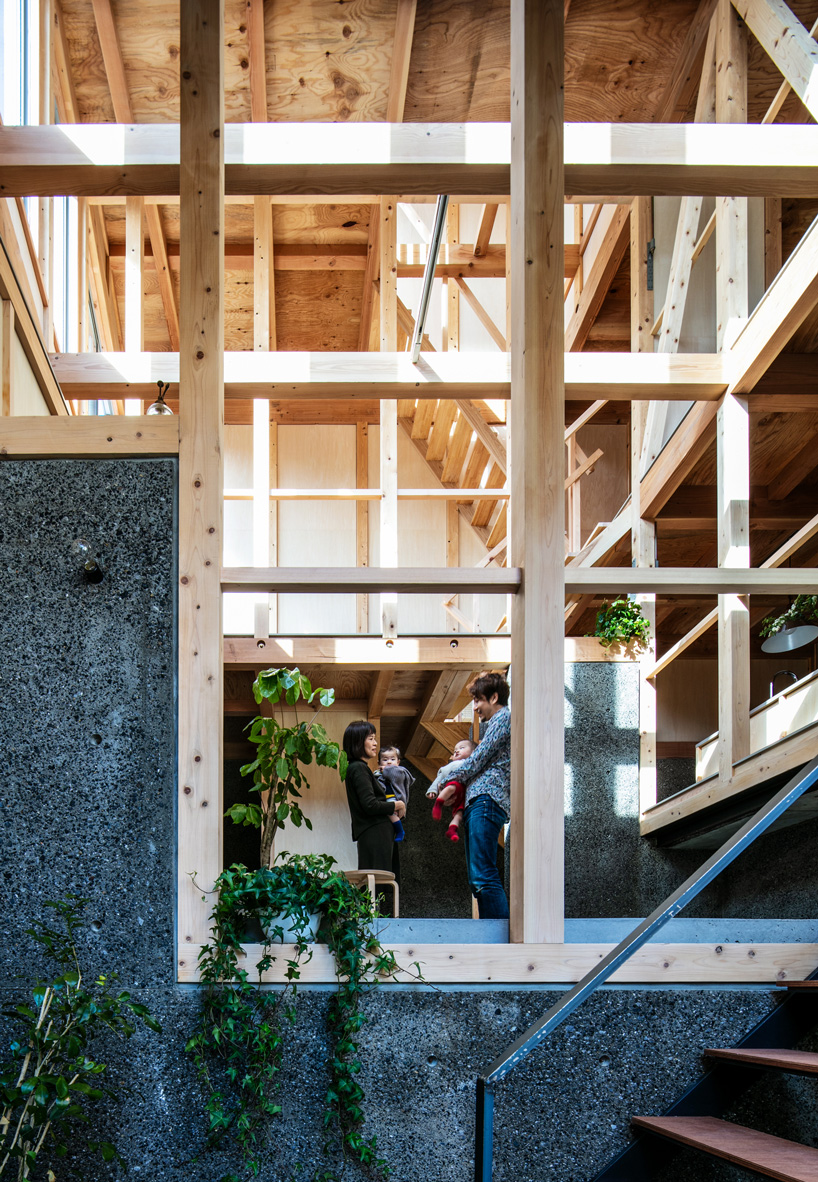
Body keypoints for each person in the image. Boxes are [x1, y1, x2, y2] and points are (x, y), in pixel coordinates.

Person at [434, 672, 510, 919]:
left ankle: (499, 939)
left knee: (483, 875)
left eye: (478, 700)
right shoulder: (496, 722)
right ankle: (492, 936)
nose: (475, 706)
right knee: (477, 878)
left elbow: (478, 759)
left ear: (494, 697)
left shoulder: (503, 718)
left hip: (487, 799)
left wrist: (447, 782)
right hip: (480, 801)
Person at [342, 720, 405, 879]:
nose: (375, 743)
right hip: (375, 832)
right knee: (376, 884)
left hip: (376, 832)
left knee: (377, 884)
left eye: (374, 738)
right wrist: (397, 804)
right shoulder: (358, 768)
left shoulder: (358, 767)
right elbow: (370, 805)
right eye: (370, 738)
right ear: (358, 741)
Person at [426, 739, 476, 842]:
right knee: (452, 787)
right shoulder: (448, 766)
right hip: (453, 786)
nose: (457, 751)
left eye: (462, 748)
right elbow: (438, 779)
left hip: (464, 794)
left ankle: (452, 830)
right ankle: (438, 804)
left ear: (473, 752)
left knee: (459, 813)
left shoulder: (471, 762)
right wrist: (433, 790)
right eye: (455, 750)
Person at [374, 746, 415, 843]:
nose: (389, 762)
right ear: (379, 762)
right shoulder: (377, 774)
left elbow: (394, 774)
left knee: (390, 812)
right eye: (385, 759)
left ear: (398, 762)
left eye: (392, 759)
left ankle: (400, 831)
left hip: (395, 799)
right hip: (383, 800)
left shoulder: (401, 771)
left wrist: (386, 770)